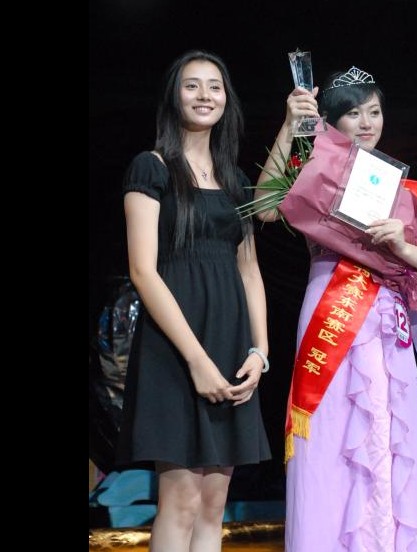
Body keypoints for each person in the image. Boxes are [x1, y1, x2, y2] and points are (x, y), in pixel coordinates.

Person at [254, 67, 417, 551]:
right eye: (353, 113)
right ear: (330, 122)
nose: (367, 123)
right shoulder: (313, 171)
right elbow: (264, 206)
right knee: (333, 437)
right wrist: (291, 125)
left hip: (386, 321)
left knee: (391, 435)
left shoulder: (406, 191)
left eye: (374, 112)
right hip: (331, 312)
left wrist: (403, 248)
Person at [116, 49, 271, 552]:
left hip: (230, 344)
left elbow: (249, 270)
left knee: (213, 502)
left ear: (227, 100)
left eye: (214, 86)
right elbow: (143, 271)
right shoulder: (152, 167)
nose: (204, 95)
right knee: (181, 500)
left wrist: (259, 350)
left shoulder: (235, 179)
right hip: (176, 349)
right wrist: (197, 361)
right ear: (174, 96)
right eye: (192, 85)